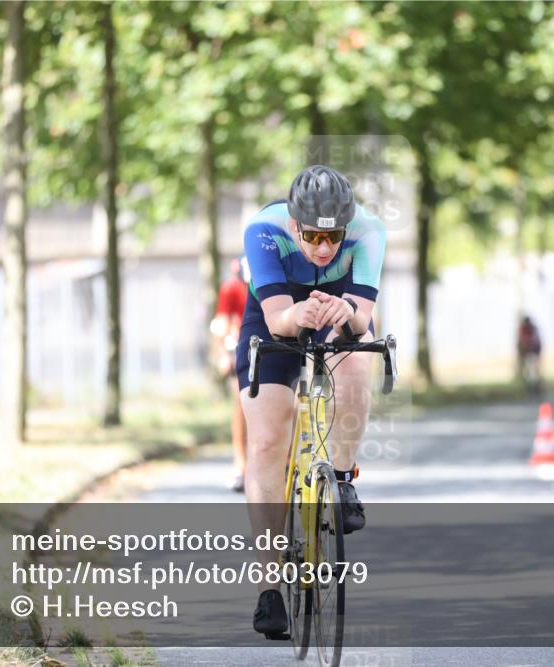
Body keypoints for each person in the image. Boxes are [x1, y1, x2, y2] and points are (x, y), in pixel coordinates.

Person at [235, 165, 386, 637]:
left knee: (358, 363)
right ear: (294, 224)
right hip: (276, 312)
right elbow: (278, 317)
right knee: (265, 443)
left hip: (337, 307)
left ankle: (341, 480)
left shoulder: (370, 232)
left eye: (333, 236)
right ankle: (268, 590)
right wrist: (298, 314)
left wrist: (351, 319)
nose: (323, 247)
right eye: (312, 236)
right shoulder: (263, 231)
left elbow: (363, 320)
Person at [210, 258, 250, 492]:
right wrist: (223, 356)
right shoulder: (231, 289)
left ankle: (286, 461)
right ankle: (241, 465)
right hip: (240, 345)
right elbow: (221, 326)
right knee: (241, 399)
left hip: (273, 342)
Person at [516, 315, 542, 391]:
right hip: (530, 352)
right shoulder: (527, 329)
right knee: (531, 370)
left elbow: (524, 342)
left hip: (531, 352)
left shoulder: (528, 330)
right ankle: (532, 386)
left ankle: (534, 386)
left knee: (532, 370)